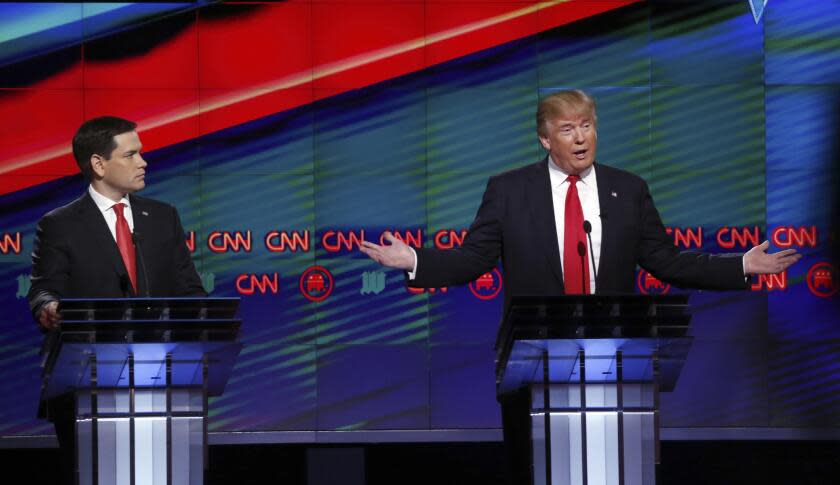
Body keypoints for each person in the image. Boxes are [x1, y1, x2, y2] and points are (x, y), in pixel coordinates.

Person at [360, 90, 800, 483]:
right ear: (546, 140)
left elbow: (666, 261)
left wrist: (739, 264)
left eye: (586, 125)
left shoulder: (627, 190)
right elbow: (472, 259)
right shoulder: (509, 191)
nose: (579, 137)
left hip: (614, 364)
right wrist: (414, 259)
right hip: (533, 366)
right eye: (567, 129)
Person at [28, 116, 206, 484]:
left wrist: (202, 323)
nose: (144, 162)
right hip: (88, 382)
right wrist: (48, 308)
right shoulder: (60, 224)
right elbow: (44, 289)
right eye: (132, 154)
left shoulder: (161, 217)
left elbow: (190, 291)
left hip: (161, 379)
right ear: (98, 164)